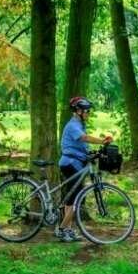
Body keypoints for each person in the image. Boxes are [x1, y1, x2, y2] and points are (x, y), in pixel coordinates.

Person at [56, 96, 113, 242]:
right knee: (75, 197)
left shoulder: (80, 125)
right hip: (70, 163)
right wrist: (101, 141)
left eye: (89, 111)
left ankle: (67, 229)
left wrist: (92, 153)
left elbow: (81, 145)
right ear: (78, 111)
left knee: (72, 198)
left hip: (75, 163)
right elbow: (84, 138)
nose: (88, 113)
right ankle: (62, 229)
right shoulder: (73, 125)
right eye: (86, 111)